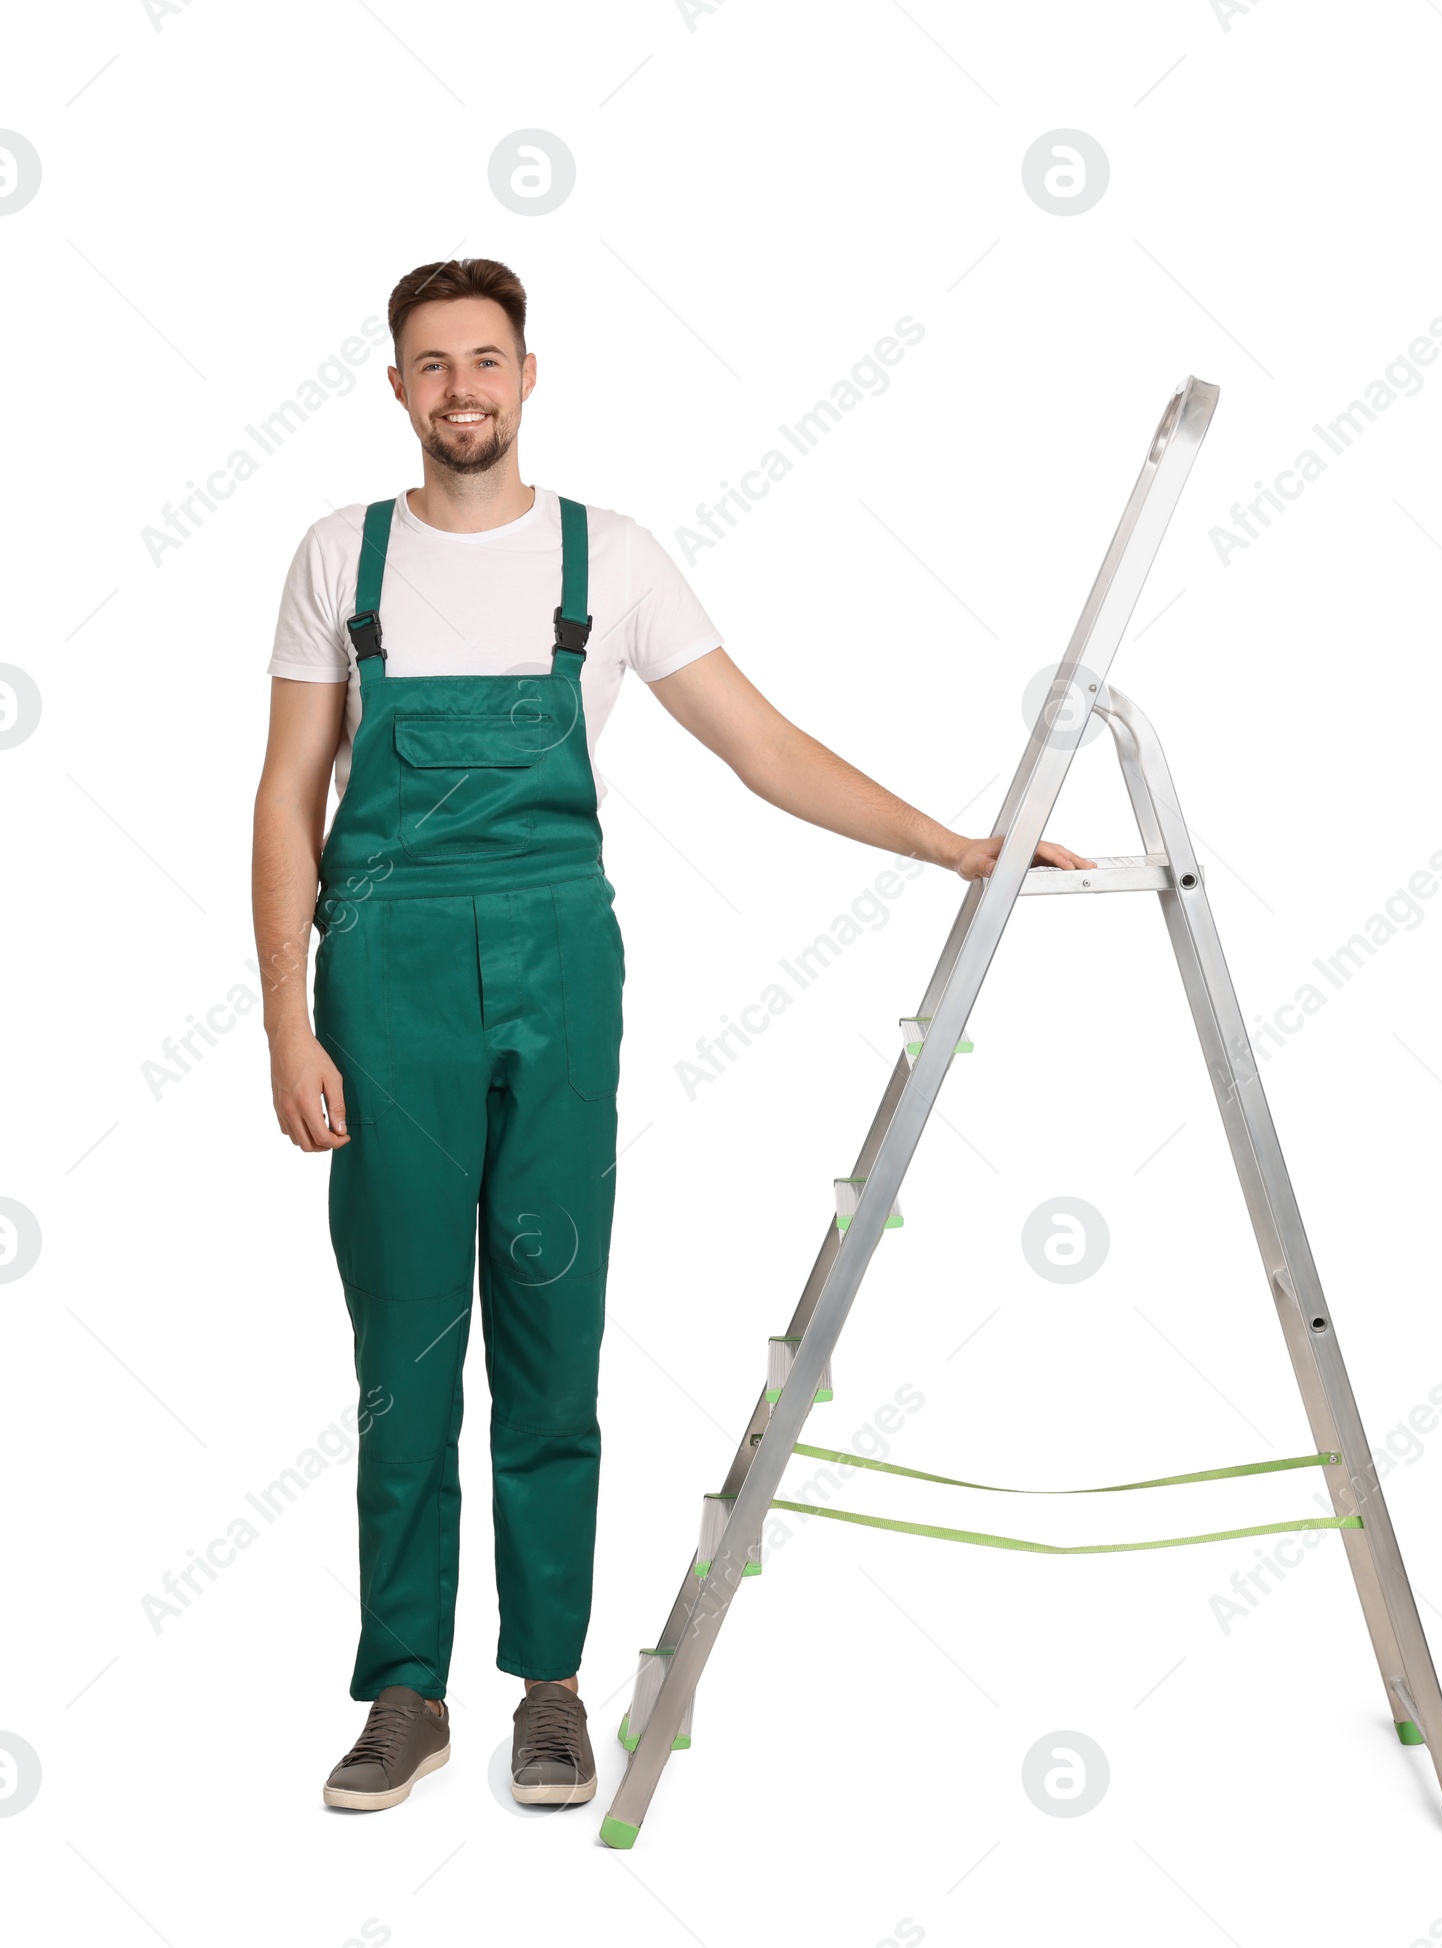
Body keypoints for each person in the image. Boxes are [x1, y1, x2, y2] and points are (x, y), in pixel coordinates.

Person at [251, 256, 1095, 1815]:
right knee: (406, 1353)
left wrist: (953, 843)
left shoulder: (610, 557)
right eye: (431, 366)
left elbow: (760, 745)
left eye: (485, 361)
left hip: (563, 965)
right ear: (395, 389)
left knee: (553, 1337)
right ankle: (404, 1692)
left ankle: (550, 1684)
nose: (461, 390)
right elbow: (288, 793)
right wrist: (284, 1017)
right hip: (384, 977)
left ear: (526, 374)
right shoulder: (336, 556)